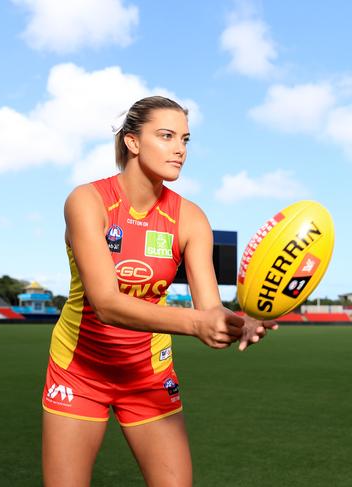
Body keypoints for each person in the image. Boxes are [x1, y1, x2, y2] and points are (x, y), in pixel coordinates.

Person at [42, 95, 277, 487]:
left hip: (148, 374)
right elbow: (107, 303)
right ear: (132, 142)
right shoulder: (87, 201)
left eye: (185, 139)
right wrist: (198, 322)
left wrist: (237, 324)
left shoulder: (191, 217)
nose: (180, 150)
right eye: (166, 136)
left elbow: (209, 309)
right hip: (78, 370)